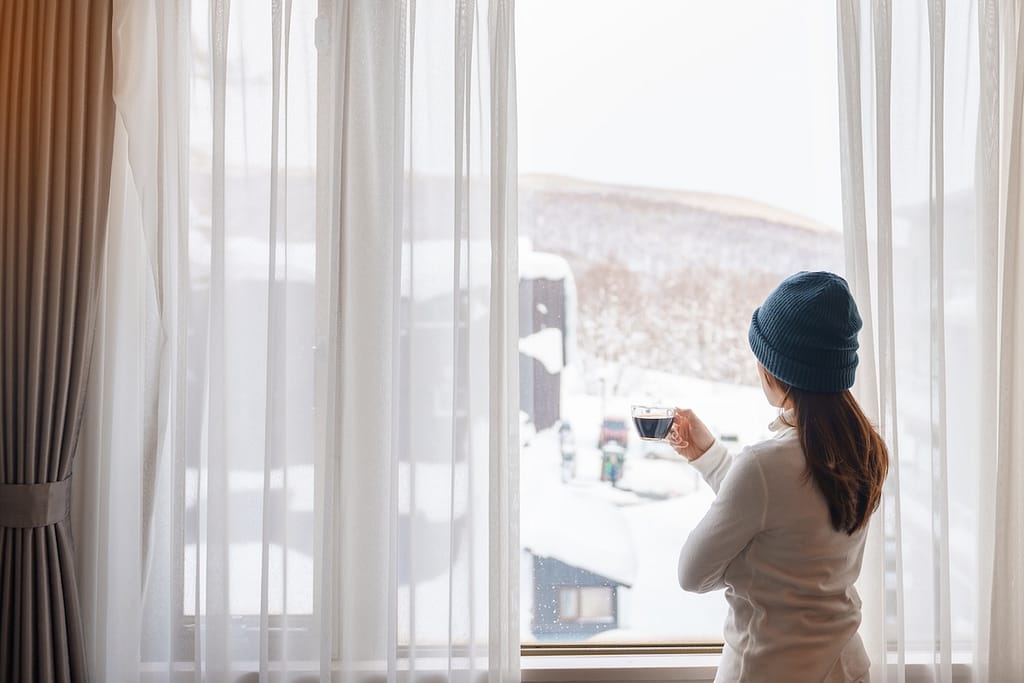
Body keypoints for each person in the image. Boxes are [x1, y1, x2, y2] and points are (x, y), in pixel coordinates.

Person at [668, 271, 888, 683]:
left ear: (776, 369)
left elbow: (692, 574)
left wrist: (748, 562)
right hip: (846, 669)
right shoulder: (866, 451)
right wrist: (712, 458)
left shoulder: (763, 467)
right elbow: (793, 520)